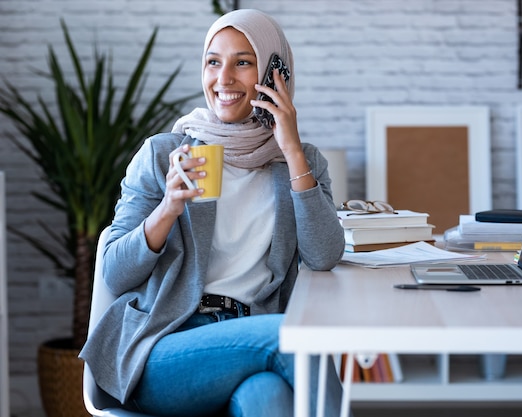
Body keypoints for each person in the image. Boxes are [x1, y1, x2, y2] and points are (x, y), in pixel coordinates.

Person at [79, 8, 349, 417]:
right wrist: (168, 208)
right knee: (294, 338)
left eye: (243, 62)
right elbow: (114, 272)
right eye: (213, 62)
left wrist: (291, 150)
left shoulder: (301, 162)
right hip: (165, 345)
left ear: (276, 74)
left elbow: (324, 254)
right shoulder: (164, 154)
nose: (223, 79)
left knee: (268, 396)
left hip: (249, 338)